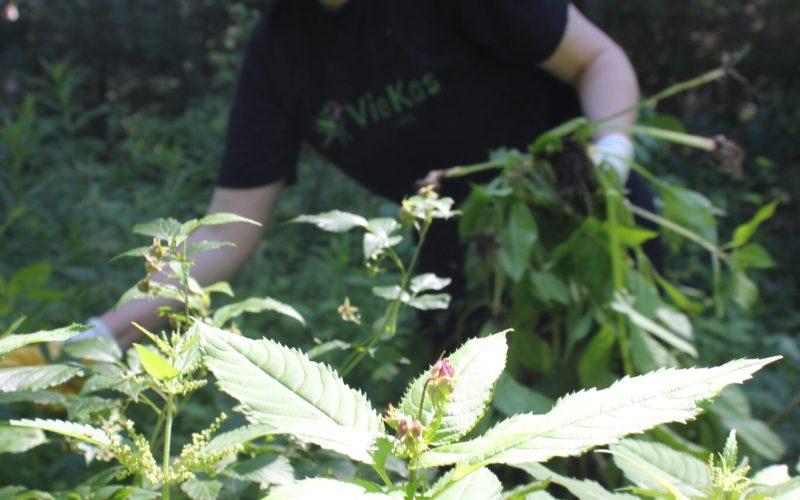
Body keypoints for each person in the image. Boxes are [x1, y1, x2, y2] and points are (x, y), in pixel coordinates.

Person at [80, 0, 642, 348]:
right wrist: (108, 331)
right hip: (458, 265)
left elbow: (599, 61)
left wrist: (609, 162)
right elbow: (228, 230)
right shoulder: (278, 55)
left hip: (591, 221)